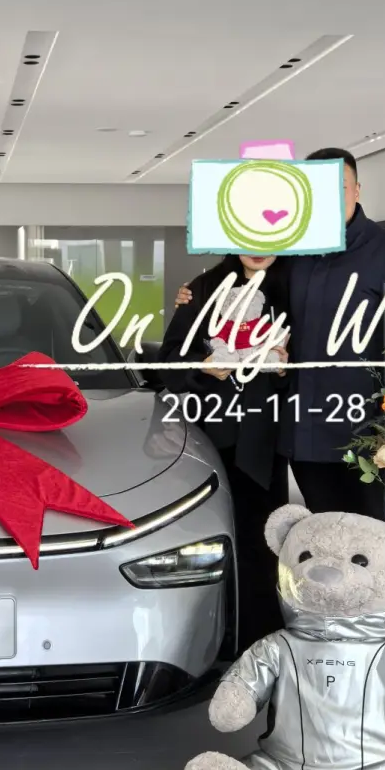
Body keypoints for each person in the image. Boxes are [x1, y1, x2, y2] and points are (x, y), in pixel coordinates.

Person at [281, 147, 385, 519]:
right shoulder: (294, 251)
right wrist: (193, 295)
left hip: (363, 430)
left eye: (338, 186)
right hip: (303, 430)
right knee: (321, 531)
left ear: (357, 190)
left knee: (369, 536)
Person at [161, 252, 290, 651]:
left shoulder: (292, 288)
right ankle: (206, 642)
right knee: (206, 542)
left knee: (263, 541)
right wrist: (201, 365)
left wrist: (285, 368)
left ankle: (261, 642)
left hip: (267, 438)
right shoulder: (200, 290)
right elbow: (168, 360)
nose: (256, 246)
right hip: (212, 438)